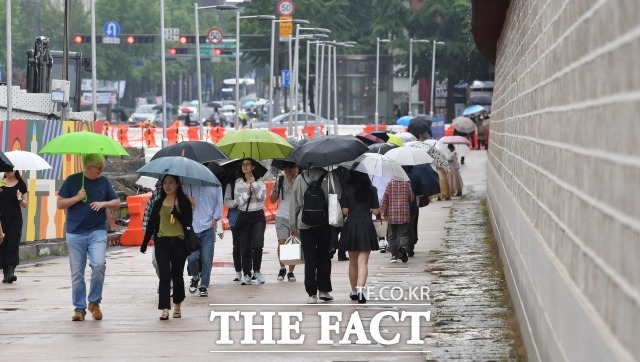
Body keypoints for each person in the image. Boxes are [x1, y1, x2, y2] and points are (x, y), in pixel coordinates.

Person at [57, 154, 121, 321]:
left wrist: (104, 204)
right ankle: (79, 308)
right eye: (98, 167)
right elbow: (60, 204)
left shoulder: (104, 182)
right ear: (88, 168)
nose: (101, 170)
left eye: (102, 167)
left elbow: (116, 202)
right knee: (77, 273)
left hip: (97, 231)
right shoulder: (72, 181)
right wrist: (77, 198)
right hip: (75, 232)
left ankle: (94, 302)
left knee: (99, 264)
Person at [140, 174, 193, 320]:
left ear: (177, 184)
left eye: (171, 183)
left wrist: (177, 214)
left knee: (177, 275)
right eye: (165, 183)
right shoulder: (158, 203)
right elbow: (151, 224)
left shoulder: (184, 202)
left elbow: (189, 222)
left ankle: (177, 305)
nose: (167, 186)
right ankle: (164, 309)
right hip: (162, 242)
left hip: (179, 242)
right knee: (164, 276)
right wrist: (145, 244)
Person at [290, 166, 342, 304]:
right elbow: (337, 196)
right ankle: (324, 290)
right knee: (324, 256)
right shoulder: (330, 176)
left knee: (310, 258)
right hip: (324, 223)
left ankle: (311, 294)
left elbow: (294, 203)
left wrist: (293, 225)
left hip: (304, 223)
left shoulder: (300, 178)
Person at [339, 171, 380, 303]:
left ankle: (354, 292)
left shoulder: (347, 190)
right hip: (366, 226)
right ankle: (361, 290)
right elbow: (375, 211)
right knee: (363, 262)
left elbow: (344, 212)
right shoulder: (372, 190)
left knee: (353, 262)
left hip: (351, 226)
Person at [186, 184, 223, 297]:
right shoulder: (187, 187)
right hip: (192, 229)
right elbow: (181, 207)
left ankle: (204, 285)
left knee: (207, 259)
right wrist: (189, 205)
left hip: (208, 228)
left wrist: (215, 219)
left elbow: (219, 203)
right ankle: (195, 277)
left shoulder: (216, 186)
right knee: (192, 258)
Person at [234, 158, 267, 285]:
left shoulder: (260, 181)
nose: (245, 166)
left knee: (258, 245)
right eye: (243, 164)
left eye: (248, 164)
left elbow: (262, 198)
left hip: (258, 215)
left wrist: (254, 185)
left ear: (253, 167)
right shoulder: (239, 182)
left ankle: (257, 271)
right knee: (245, 247)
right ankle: (247, 273)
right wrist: (247, 193)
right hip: (244, 216)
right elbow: (238, 201)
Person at [270, 162, 299, 282]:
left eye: (289, 168)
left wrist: (292, 181)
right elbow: (272, 200)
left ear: (295, 168)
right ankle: (282, 267)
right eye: (285, 168)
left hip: (295, 217)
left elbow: (298, 195)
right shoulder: (280, 180)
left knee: (292, 244)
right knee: (282, 242)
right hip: (281, 216)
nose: (287, 171)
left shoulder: (299, 180)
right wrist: (274, 191)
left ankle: (291, 272)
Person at [0, 169, 28, 284]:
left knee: (13, 243)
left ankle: (11, 271)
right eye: (5, 170)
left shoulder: (21, 184)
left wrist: (20, 198)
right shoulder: (1, 183)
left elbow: (25, 204)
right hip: (2, 219)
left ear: (15, 169)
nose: (7, 172)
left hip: (15, 219)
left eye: (9, 170)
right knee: (3, 245)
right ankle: (6, 273)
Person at [380, 179, 415, 263]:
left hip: (391, 215)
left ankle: (394, 256)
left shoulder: (389, 184)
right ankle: (403, 247)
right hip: (404, 214)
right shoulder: (407, 184)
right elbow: (411, 198)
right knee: (403, 234)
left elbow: (385, 200)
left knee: (391, 235)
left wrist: (382, 213)